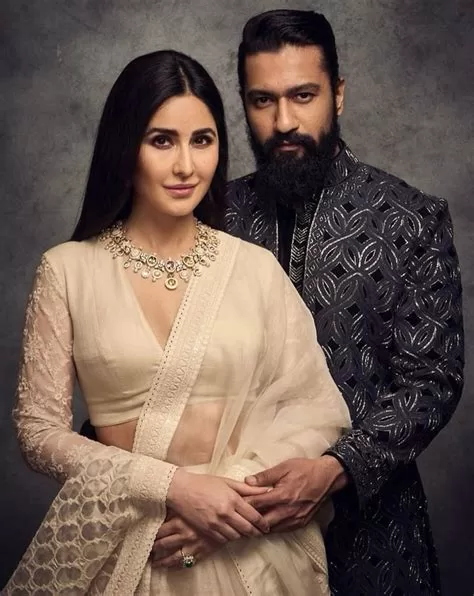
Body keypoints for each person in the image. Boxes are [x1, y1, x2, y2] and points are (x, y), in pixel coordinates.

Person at [5, 50, 350, 595]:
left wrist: (227, 500)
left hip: (246, 542)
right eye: (162, 141)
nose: (187, 166)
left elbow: (312, 408)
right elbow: (37, 431)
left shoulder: (255, 269)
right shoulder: (67, 270)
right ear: (125, 147)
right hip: (127, 539)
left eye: (202, 140)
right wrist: (171, 486)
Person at [224, 9, 464, 596]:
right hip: (234, 535)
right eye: (262, 101)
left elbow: (433, 380)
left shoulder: (409, 219)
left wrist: (335, 469)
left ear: (338, 94)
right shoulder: (216, 217)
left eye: (303, 96)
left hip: (375, 539)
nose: (284, 121)